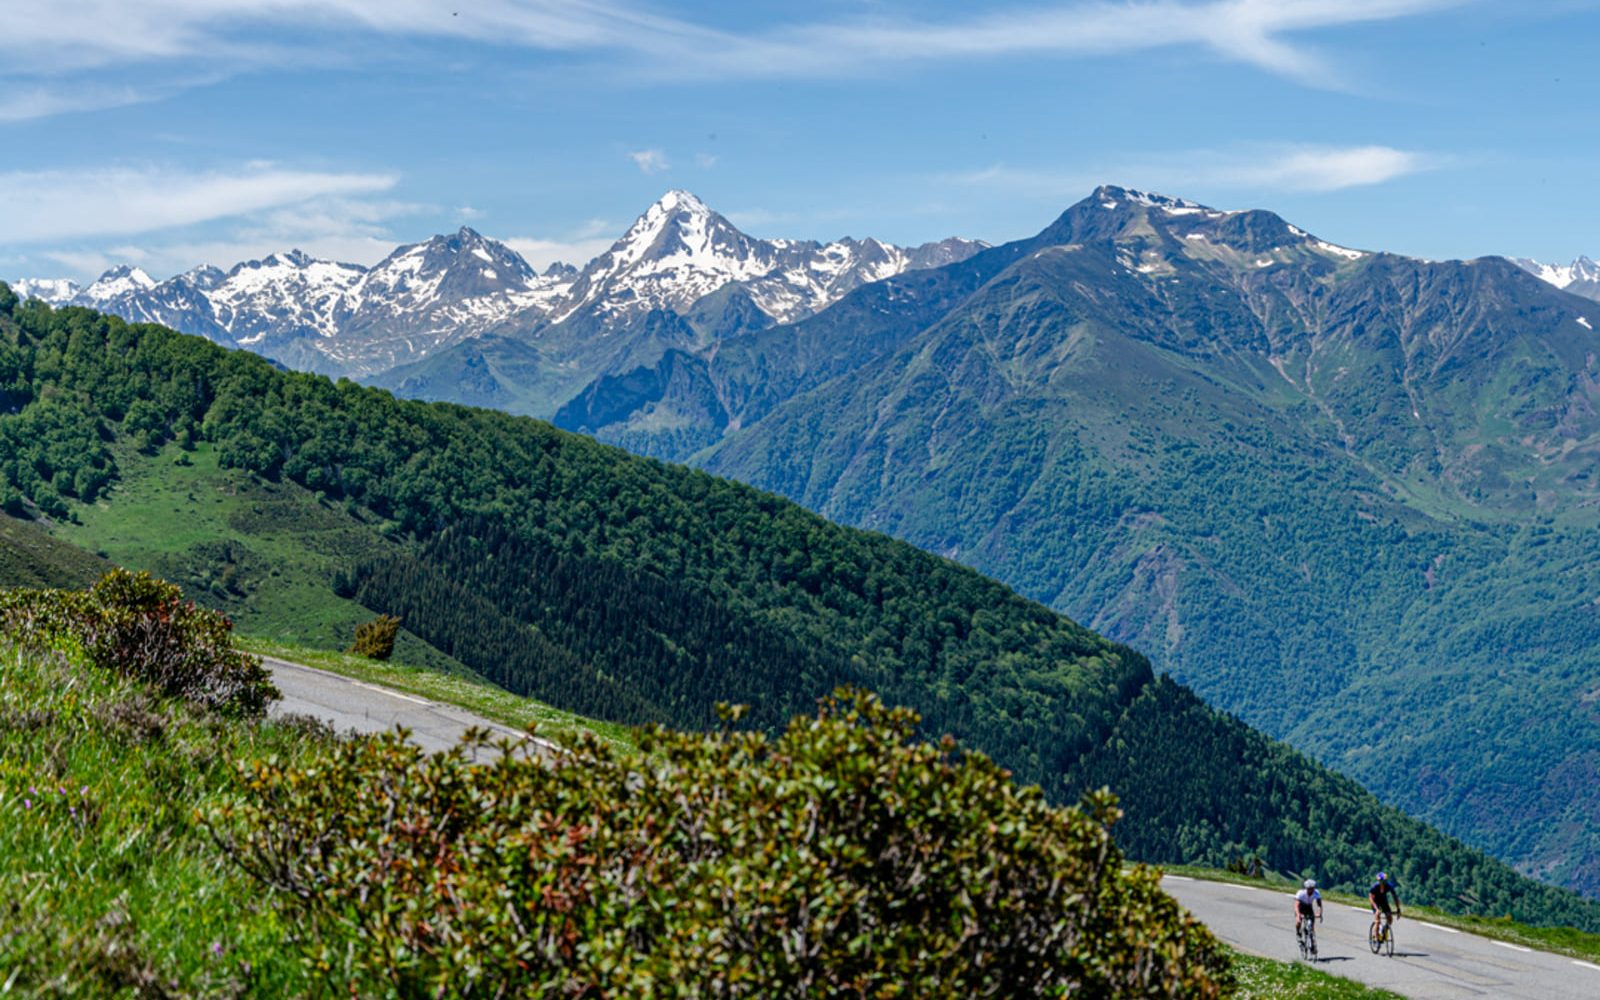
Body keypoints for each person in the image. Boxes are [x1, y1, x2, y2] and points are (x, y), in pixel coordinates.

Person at [1369, 871, 1402, 938]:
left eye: (1384, 881)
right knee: (1378, 920)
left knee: (1390, 919)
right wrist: (1376, 909)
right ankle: (1376, 936)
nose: (1383, 883)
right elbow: (1371, 899)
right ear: (1378, 881)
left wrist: (1398, 909)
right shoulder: (1375, 887)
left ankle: (1384, 931)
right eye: (1381, 881)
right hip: (1375, 902)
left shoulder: (1389, 886)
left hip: (1383, 901)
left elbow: (1395, 897)